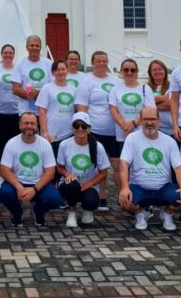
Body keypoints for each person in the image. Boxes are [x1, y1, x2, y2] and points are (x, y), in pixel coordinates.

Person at [119, 106, 181, 232]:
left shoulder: (169, 141)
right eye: (146, 119)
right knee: (124, 201)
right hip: (139, 187)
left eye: (153, 119)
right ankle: (140, 213)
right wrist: (124, 187)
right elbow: (123, 164)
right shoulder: (132, 138)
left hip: (163, 187)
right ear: (141, 120)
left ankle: (167, 214)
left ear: (159, 120)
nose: (150, 122)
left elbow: (178, 167)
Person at [0, 112, 62, 227]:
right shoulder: (11, 143)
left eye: (32, 123)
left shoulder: (45, 144)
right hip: (17, 183)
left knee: (55, 198)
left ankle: (38, 212)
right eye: (26, 123)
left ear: (37, 125)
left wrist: (34, 189)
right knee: (4, 193)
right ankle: (17, 212)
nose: (29, 126)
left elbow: (50, 172)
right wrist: (19, 187)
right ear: (19, 125)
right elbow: (4, 170)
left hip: (38, 183)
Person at [75, 51, 118, 209]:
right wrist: (86, 128)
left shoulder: (115, 81)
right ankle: (101, 195)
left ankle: (122, 196)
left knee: (118, 165)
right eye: (98, 61)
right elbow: (81, 106)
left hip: (115, 130)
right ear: (92, 63)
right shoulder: (87, 82)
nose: (101, 64)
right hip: (96, 130)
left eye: (104, 61)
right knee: (99, 165)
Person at [57, 112, 110, 227]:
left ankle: (87, 210)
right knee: (72, 185)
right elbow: (59, 167)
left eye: (84, 126)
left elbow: (103, 173)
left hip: (89, 185)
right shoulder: (64, 145)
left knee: (90, 202)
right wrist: (67, 174)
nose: (80, 129)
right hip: (70, 184)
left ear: (89, 128)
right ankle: (71, 213)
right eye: (76, 126)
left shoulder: (98, 146)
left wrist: (88, 184)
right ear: (72, 128)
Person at [109, 59, 155, 147]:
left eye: (133, 70)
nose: (129, 72)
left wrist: (132, 124)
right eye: (126, 70)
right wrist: (125, 127)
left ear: (137, 72)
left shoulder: (145, 88)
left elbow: (149, 110)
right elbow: (113, 111)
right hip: (122, 133)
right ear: (121, 71)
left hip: (141, 133)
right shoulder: (115, 89)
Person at [36, 59, 76, 157]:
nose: (61, 72)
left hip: (69, 133)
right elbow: (41, 111)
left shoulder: (73, 89)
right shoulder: (47, 88)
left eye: (63, 69)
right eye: (57, 70)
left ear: (67, 71)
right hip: (52, 134)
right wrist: (44, 132)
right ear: (53, 72)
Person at [11, 35, 53, 115]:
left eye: (37, 46)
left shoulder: (49, 64)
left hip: (45, 111)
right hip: (25, 112)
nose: (34, 48)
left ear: (40, 47)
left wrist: (39, 94)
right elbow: (15, 88)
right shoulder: (19, 64)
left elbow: (54, 85)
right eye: (32, 45)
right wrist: (26, 94)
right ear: (27, 47)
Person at [0, 44, 20, 162]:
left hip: (16, 112)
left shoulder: (18, 68)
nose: (8, 55)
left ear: (14, 55)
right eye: (5, 53)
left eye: (10, 53)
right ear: (1, 54)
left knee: (15, 143)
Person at [147, 60, 172, 136]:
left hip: (172, 130)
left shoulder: (172, 86)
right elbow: (143, 105)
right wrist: (162, 98)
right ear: (150, 73)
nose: (157, 71)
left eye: (160, 69)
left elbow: (170, 104)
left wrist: (151, 102)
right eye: (154, 70)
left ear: (165, 71)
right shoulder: (146, 87)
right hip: (154, 129)